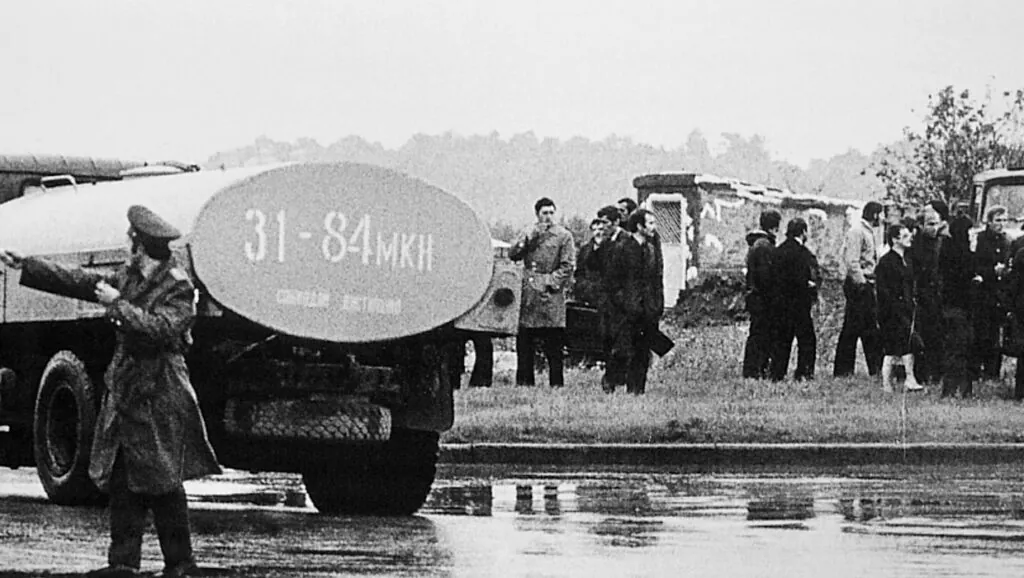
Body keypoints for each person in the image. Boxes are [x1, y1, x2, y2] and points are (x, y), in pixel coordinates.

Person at [0, 205, 221, 578]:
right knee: (122, 479)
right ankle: (122, 564)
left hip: (160, 392)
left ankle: (181, 564)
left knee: (164, 481)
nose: (126, 245)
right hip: (128, 390)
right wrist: (29, 266)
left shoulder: (178, 286)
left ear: (140, 245)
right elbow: (84, 282)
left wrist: (116, 306)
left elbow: (161, 331)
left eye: (130, 240)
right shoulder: (133, 275)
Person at [509, 197, 576, 387]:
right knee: (525, 342)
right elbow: (513, 254)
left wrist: (549, 282)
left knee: (553, 344)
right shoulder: (529, 232)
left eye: (551, 213)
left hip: (550, 296)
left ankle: (556, 384)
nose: (548, 217)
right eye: (544, 213)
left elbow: (567, 266)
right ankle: (524, 383)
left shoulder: (564, 236)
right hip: (529, 294)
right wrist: (527, 237)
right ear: (537, 214)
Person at [834, 201, 884, 378]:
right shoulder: (857, 232)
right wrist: (862, 283)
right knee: (854, 328)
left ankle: (873, 368)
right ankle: (844, 370)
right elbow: (852, 261)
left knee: (866, 327)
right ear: (876, 215)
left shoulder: (868, 232)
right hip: (859, 285)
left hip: (866, 283)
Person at [594, 204, 639, 393]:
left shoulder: (627, 241)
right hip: (607, 302)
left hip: (622, 302)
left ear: (615, 222)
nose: (602, 227)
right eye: (600, 222)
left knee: (622, 345)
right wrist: (596, 246)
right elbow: (594, 267)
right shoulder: (603, 242)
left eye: (605, 223)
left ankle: (617, 378)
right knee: (608, 342)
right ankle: (611, 381)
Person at [768, 217, 819, 381]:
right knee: (807, 340)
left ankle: (777, 373)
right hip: (799, 303)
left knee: (782, 340)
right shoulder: (803, 253)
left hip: (779, 304)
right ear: (803, 232)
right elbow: (804, 278)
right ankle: (804, 373)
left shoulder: (778, 250)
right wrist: (810, 286)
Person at [876, 223, 924, 392]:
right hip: (891, 311)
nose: (909, 238)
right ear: (895, 239)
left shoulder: (907, 260)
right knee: (896, 346)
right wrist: (894, 308)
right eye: (904, 236)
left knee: (902, 345)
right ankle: (899, 381)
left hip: (906, 308)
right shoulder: (886, 262)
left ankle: (897, 382)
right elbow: (883, 291)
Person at [908, 201, 949, 385]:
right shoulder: (914, 246)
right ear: (921, 226)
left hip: (939, 295)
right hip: (921, 296)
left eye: (936, 223)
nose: (934, 228)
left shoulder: (944, 244)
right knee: (921, 335)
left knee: (938, 334)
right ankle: (921, 373)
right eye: (930, 224)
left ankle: (937, 372)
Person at [624, 208, 663, 394]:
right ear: (639, 226)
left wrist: (657, 305)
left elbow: (657, 279)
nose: (654, 227)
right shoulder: (623, 249)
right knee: (628, 350)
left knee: (644, 350)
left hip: (648, 309)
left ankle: (639, 389)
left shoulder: (651, 249)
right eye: (650, 223)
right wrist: (626, 304)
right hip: (629, 311)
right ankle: (625, 386)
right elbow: (615, 281)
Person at [971, 204, 1011, 381]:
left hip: (999, 292)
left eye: (1004, 220)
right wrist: (991, 271)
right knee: (982, 332)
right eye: (997, 220)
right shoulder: (980, 239)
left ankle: (992, 370)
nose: (1001, 224)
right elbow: (975, 265)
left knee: (996, 333)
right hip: (983, 291)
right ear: (989, 221)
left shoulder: (1006, 240)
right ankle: (978, 368)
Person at [939, 212, 976, 398]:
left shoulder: (949, 250)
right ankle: (956, 388)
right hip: (958, 306)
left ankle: (954, 388)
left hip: (952, 305)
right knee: (959, 346)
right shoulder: (962, 254)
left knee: (958, 347)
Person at [742, 210, 781, 379]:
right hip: (763, 298)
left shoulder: (756, 245)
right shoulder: (765, 247)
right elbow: (765, 277)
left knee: (757, 333)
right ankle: (757, 370)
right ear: (774, 227)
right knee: (763, 335)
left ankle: (753, 370)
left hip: (755, 296)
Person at [572, 217, 606, 306]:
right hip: (586, 291)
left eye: (601, 229)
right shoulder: (585, 250)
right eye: (594, 230)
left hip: (603, 292)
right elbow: (579, 271)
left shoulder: (611, 248)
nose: (598, 232)